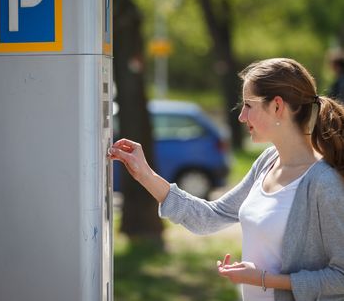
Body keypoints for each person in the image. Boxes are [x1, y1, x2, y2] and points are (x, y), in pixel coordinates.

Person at [108, 58, 344, 301]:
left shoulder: (323, 182)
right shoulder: (267, 161)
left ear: (277, 107)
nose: (241, 116)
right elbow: (211, 217)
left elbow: (341, 277)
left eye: (248, 105)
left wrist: (265, 280)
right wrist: (145, 174)